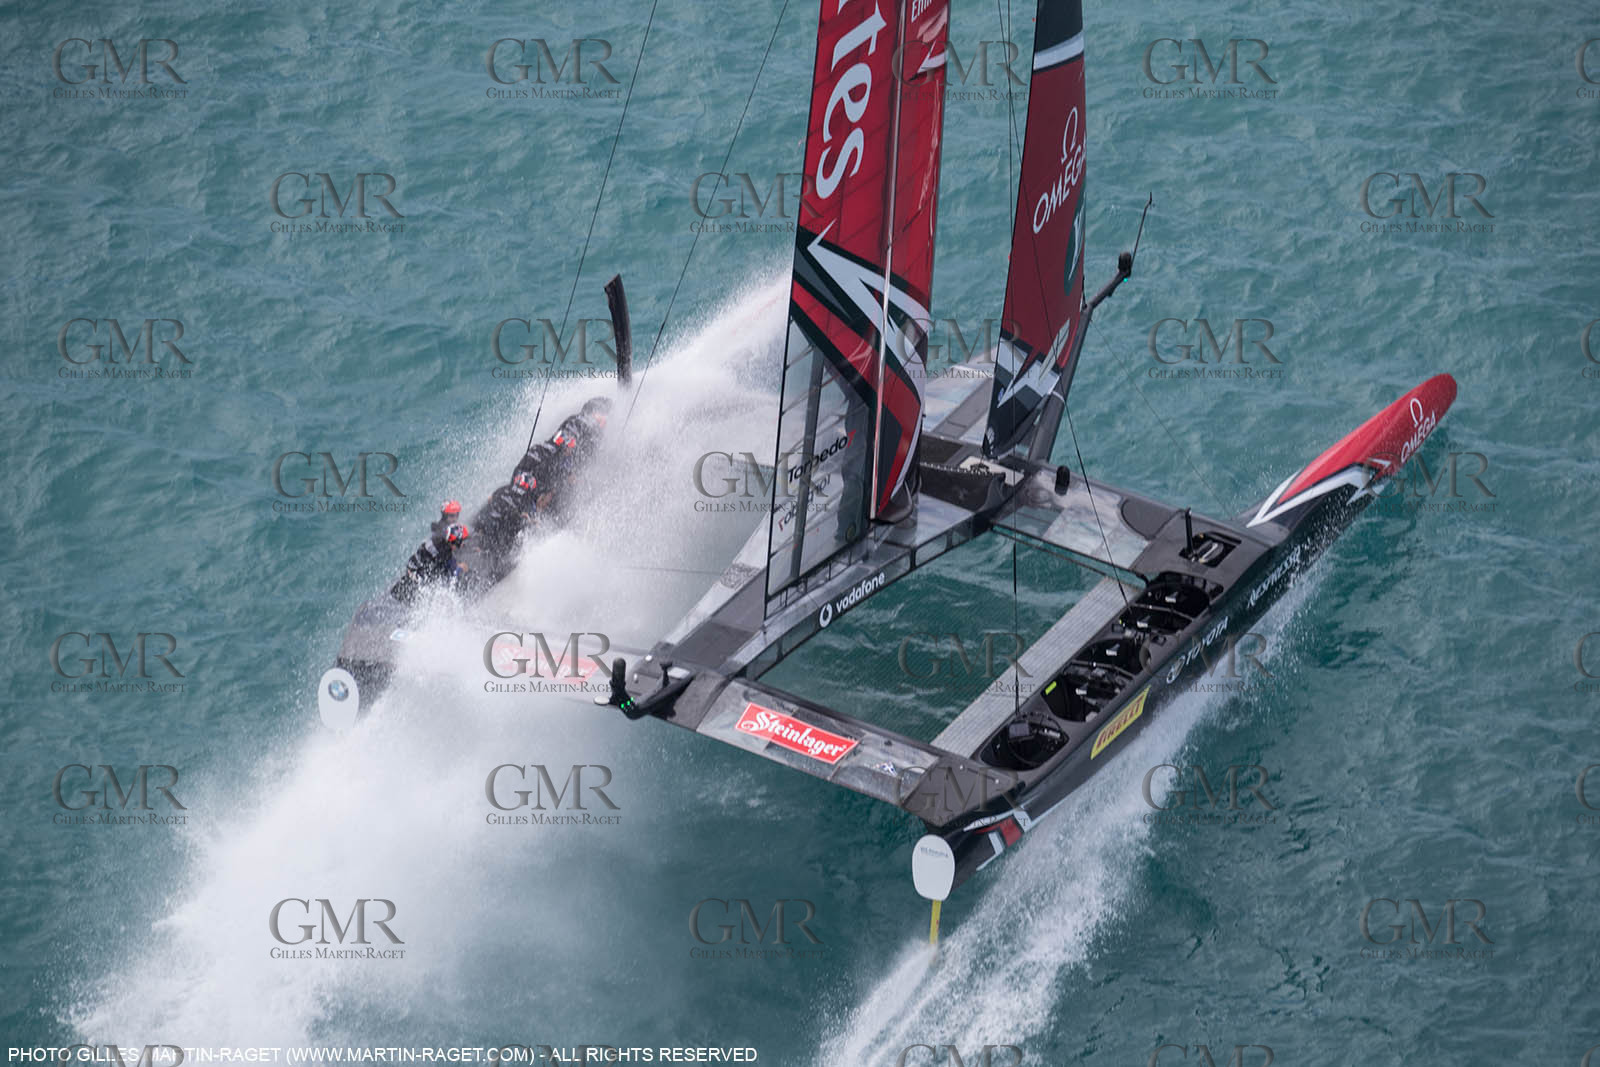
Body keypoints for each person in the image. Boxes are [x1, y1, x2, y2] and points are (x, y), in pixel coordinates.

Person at [390, 523, 471, 602]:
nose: (463, 545)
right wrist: (460, 568)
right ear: (455, 542)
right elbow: (450, 577)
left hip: (409, 581)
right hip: (415, 589)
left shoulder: (437, 541)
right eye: (462, 542)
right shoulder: (444, 553)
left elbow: (415, 561)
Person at [471, 471, 538, 555]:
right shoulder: (528, 501)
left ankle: (479, 538)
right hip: (501, 531)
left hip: (486, 522)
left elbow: (490, 499)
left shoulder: (505, 488)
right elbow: (528, 519)